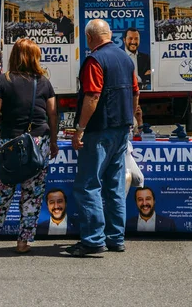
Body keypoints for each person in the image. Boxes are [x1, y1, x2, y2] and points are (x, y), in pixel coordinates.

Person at [0, 38, 59, 254]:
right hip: (39, 142)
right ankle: (23, 242)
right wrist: (53, 141)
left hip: (11, 142)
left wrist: (5, 124)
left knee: (1, 191)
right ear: (34, 57)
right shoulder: (44, 82)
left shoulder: (1, 81)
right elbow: (52, 113)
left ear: (14, 57)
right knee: (33, 194)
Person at [66, 19, 140, 257]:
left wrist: (80, 129)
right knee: (115, 185)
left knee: (88, 185)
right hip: (121, 129)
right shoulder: (126, 59)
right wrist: (132, 119)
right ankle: (115, 238)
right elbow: (135, 93)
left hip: (99, 130)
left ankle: (93, 240)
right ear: (110, 34)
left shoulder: (94, 60)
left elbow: (92, 97)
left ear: (89, 38)